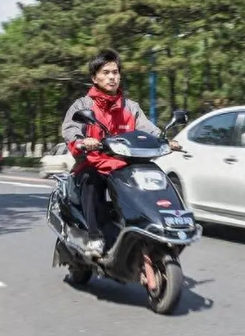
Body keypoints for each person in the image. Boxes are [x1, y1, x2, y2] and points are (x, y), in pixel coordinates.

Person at [62, 49, 181, 258]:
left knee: (153, 177)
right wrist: (82, 141)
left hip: (124, 165)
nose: (112, 77)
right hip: (94, 163)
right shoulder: (83, 105)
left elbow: (147, 127)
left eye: (115, 72)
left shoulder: (130, 107)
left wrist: (166, 140)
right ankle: (95, 236)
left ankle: (147, 225)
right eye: (106, 72)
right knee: (91, 178)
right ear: (94, 78)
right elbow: (71, 129)